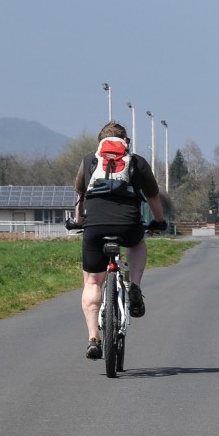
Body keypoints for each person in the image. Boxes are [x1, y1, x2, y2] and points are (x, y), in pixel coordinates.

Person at [73, 122, 166, 360]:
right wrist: (159, 221)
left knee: (93, 282)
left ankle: (93, 337)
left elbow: (80, 195)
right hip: (128, 224)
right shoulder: (136, 162)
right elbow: (153, 196)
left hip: (95, 225)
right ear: (126, 140)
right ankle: (134, 285)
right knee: (137, 243)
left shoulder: (89, 161)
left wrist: (78, 219)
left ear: (100, 141)